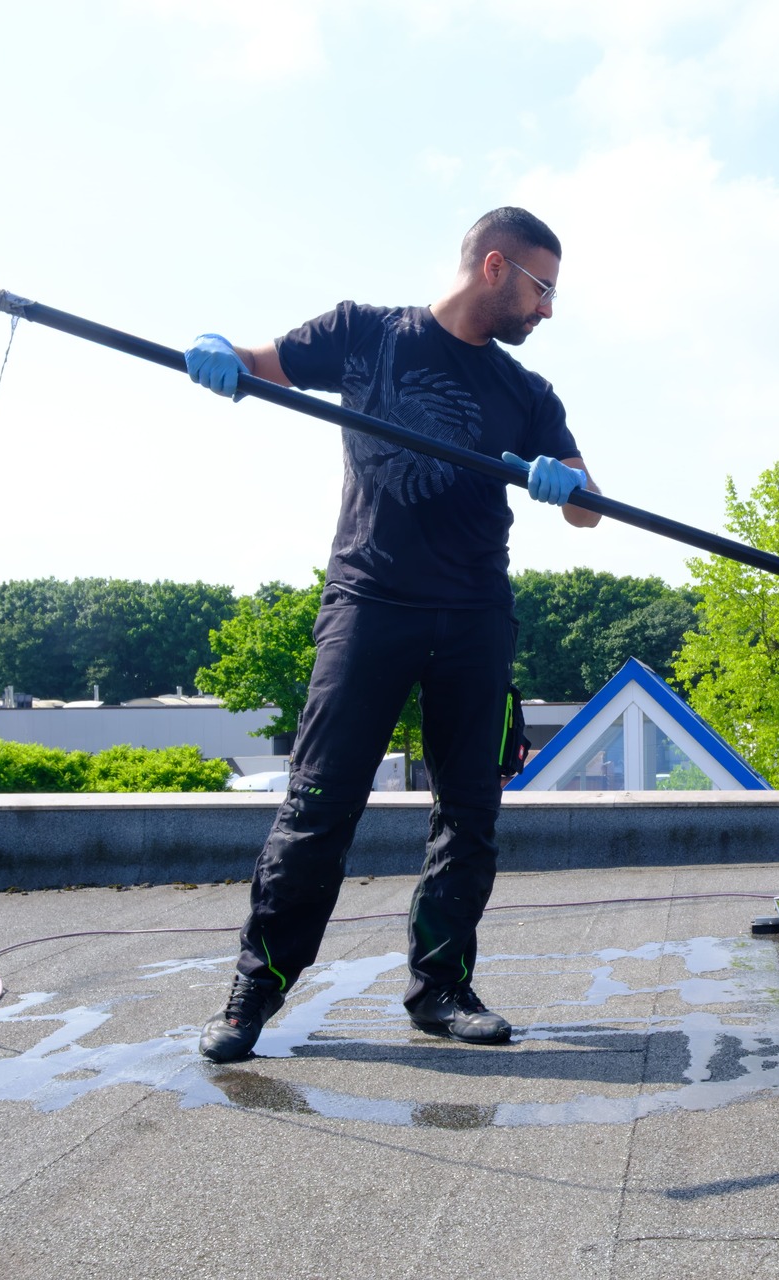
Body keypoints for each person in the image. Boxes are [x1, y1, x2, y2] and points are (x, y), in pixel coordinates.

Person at [182, 206, 598, 1063]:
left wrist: (567, 484)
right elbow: (264, 366)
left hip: (476, 615)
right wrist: (221, 349)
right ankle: (252, 993)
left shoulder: (526, 395)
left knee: (470, 812)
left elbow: (592, 506)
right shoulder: (364, 336)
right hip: (369, 603)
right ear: (494, 267)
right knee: (318, 804)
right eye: (541, 287)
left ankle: (440, 989)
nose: (548, 310)